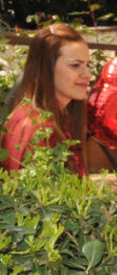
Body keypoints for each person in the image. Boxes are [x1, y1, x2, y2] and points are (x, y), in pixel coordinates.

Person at [2, 23, 91, 177]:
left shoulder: (40, 116)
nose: (87, 74)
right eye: (75, 65)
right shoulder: (40, 129)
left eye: (88, 65)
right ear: (46, 68)